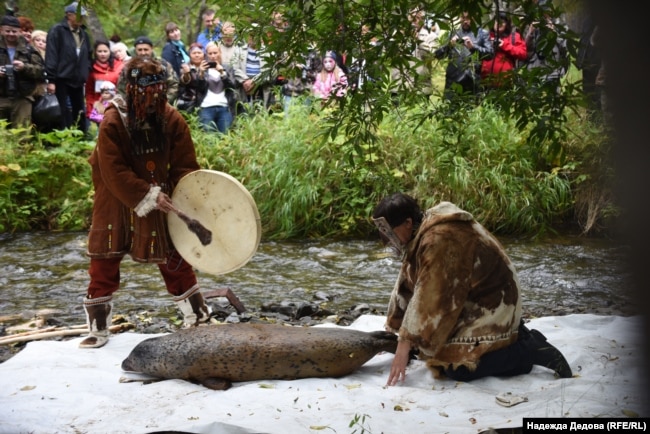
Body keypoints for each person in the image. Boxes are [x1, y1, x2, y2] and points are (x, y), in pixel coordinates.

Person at [79, 56, 212, 349]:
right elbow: (112, 169)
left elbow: (184, 166)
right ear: (132, 90)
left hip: (160, 195)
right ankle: (98, 328)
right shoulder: (114, 120)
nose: (152, 99)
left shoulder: (171, 118)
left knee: (174, 256)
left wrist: (182, 196)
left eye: (158, 92)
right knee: (105, 258)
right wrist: (146, 194)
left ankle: (198, 317)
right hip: (115, 196)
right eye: (146, 92)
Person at [371, 193, 573, 385]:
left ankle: (526, 349)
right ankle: (517, 336)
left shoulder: (441, 238)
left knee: (457, 368)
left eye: (389, 232)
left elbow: (431, 296)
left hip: (493, 303)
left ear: (407, 223)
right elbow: (409, 279)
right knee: (431, 352)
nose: (388, 239)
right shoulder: (423, 231)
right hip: (471, 299)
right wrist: (396, 330)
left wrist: (404, 344)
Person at [44, 2, 91, 134]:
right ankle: (61, 137)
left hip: (78, 79)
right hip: (61, 78)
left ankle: (81, 137)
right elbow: (51, 55)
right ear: (68, 15)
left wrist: (85, 72)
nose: (81, 18)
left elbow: (88, 55)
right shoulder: (57, 30)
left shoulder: (83, 34)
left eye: (83, 16)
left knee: (79, 110)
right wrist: (51, 79)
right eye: (78, 15)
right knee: (61, 110)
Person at [434, 12, 493, 101]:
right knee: (449, 111)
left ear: (474, 18)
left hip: (472, 81)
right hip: (452, 81)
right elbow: (438, 55)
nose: (465, 21)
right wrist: (449, 46)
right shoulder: (453, 33)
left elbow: (490, 54)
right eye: (463, 18)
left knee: (471, 111)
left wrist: (473, 47)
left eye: (468, 18)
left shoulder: (482, 33)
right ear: (460, 18)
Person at [0, 14, 44, 129]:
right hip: (1, 96)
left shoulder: (29, 49)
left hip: (22, 97)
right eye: (7, 31)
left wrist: (24, 67)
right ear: (1, 30)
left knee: (22, 133)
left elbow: (41, 71)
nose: (11, 34)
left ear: (19, 31)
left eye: (14, 31)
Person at [116, 36, 178, 103]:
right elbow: (121, 88)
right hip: (135, 106)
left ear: (151, 49)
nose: (143, 53)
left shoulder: (163, 65)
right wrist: (130, 103)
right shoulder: (129, 67)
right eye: (140, 50)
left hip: (160, 103)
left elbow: (173, 84)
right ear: (135, 50)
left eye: (146, 50)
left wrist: (164, 101)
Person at [480, 11, 527, 90]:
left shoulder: (514, 36)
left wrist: (505, 45)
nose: (499, 23)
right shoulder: (485, 36)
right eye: (497, 20)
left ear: (507, 24)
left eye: (503, 22)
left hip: (505, 83)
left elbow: (523, 54)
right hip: (485, 83)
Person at [197, 41, 236, 133]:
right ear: (206, 55)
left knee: (225, 138)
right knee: (209, 139)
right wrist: (201, 74)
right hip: (206, 107)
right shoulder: (204, 69)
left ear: (220, 53)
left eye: (215, 53)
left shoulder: (227, 67)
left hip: (224, 107)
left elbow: (232, 86)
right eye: (210, 53)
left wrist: (222, 72)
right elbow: (199, 89)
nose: (213, 56)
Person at [218, 21, 254, 114]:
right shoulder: (216, 47)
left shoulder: (241, 47)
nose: (228, 38)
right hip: (221, 87)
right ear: (222, 34)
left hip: (239, 88)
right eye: (226, 35)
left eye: (231, 35)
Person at [85, 39, 123, 121]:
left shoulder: (119, 65)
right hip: (99, 106)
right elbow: (89, 91)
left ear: (110, 51)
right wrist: (93, 105)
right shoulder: (91, 68)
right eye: (100, 51)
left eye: (105, 51)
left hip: (116, 104)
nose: (103, 54)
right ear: (95, 52)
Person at [176, 42, 208, 114]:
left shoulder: (208, 67)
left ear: (204, 54)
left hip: (205, 103)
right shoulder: (185, 67)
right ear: (190, 55)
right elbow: (184, 80)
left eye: (199, 53)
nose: (197, 55)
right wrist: (187, 73)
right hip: (188, 103)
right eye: (194, 53)